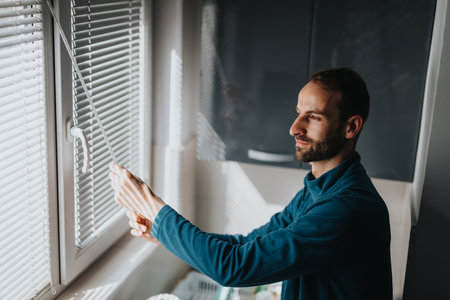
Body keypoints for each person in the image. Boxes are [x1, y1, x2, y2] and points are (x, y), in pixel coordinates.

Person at [109, 68, 393, 299]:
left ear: (351, 127)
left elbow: (234, 267)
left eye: (314, 117)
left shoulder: (348, 208)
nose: (295, 128)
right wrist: (162, 234)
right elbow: (246, 245)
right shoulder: (318, 189)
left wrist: (151, 206)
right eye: (298, 113)